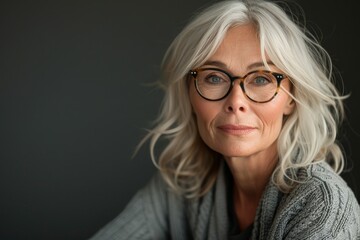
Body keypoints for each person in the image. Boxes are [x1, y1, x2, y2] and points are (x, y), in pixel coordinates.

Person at [89, 0, 360, 239]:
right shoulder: (184, 185)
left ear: (291, 97)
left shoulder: (321, 205)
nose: (235, 102)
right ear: (189, 93)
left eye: (262, 79)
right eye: (215, 78)